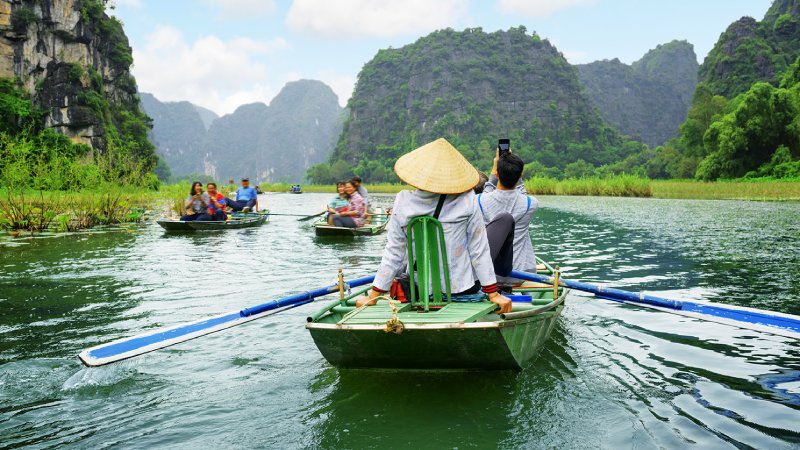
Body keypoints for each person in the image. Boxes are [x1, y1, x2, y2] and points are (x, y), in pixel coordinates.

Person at [356, 138, 512, 314]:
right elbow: (479, 249)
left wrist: (372, 296)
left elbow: (394, 252)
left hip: (418, 290)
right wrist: (493, 294)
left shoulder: (403, 201)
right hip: (462, 290)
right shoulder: (468, 200)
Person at [477, 150, 539, 286]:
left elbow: (487, 191)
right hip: (520, 275)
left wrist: (494, 169)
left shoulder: (479, 201)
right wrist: (516, 171)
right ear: (521, 175)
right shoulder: (531, 204)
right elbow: (522, 194)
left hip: (490, 276)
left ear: (497, 174)